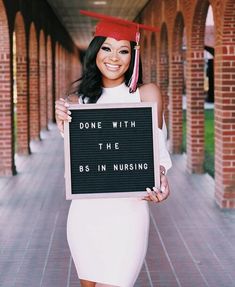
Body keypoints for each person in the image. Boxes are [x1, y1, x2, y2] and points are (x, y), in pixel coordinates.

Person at [55, 10, 172, 287]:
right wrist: (62, 118)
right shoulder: (77, 101)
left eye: (124, 51)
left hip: (128, 216)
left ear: (134, 56)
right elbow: (77, 157)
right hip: (86, 216)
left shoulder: (147, 94)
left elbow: (158, 151)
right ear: (95, 52)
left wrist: (161, 178)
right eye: (106, 48)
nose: (114, 57)